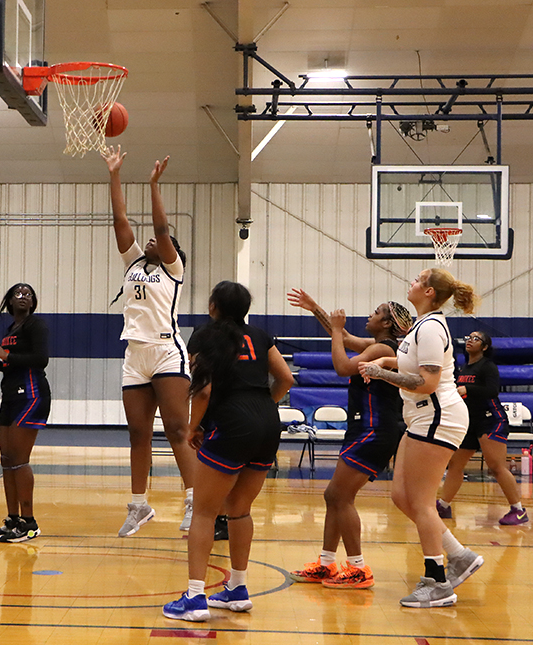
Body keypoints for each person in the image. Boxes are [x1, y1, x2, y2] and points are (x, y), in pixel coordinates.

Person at [162, 281, 293, 621]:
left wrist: (193, 427)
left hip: (233, 423)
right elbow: (286, 379)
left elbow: (202, 391)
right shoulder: (262, 335)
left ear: (213, 306)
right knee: (239, 508)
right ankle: (237, 588)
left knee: (204, 512)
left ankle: (194, 597)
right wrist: (260, 408)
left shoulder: (204, 337)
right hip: (268, 421)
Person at [359, 268, 485, 609]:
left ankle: (438, 581)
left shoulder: (430, 327)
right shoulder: (422, 325)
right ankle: (459, 556)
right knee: (402, 496)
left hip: (437, 416)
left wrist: (380, 372)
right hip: (422, 417)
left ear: (429, 291)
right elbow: (412, 365)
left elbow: (427, 383)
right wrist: (388, 360)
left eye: (417, 279)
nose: (411, 282)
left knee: (421, 502)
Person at [286, 289, 412, 589]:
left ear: (386, 323)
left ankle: (358, 569)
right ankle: (327, 564)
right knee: (335, 498)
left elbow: (343, 367)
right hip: (365, 428)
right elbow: (344, 338)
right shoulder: (378, 345)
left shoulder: (383, 350)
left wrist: (339, 329)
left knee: (338, 496)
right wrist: (316, 308)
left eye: (376, 311)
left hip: (375, 429)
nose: (370, 314)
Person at [102, 145, 197, 537]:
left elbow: (160, 229)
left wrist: (154, 185)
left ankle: (194, 499)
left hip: (165, 352)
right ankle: (139, 505)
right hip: (135, 355)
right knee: (138, 434)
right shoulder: (135, 264)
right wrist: (114, 174)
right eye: (156, 242)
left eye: (167, 242)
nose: (157, 242)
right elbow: (120, 219)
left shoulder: (172, 270)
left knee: (177, 430)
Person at [0, 283, 50, 543]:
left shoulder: (36, 325)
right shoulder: (10, 330)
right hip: (10, 395)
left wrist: (6, 355)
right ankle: (12, 520)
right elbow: (9, 366)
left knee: (19, 458)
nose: (23, 297)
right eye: (18, 294)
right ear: (10, 302)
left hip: (31, 394)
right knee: (6, 459)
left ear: (33, 302)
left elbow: (40, 359)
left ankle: (30, 523)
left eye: (28, 294)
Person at [437, 331, 527, 525]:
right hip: (469, 422)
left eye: (476, 338)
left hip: (490, 420)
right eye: (468, 337)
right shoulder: (464, 367)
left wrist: (468, 389)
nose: (470, 340)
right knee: (455, 464)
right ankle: (443, 505)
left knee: (496, 466)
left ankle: (518, 510)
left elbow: (492, 391)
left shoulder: (488, 366)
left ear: (484, 347)